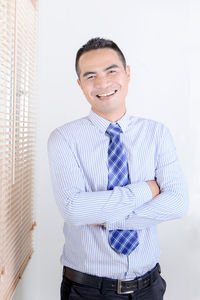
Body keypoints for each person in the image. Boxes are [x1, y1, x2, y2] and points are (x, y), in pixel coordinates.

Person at [48, 38, 189, 300]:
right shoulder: (63, 138)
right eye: (91, 76)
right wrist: (147, 189)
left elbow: (178, 203)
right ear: (80, 85)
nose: (102, 83)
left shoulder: (156, 134)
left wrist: (107, 217)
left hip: (150, 286)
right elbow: (74, 210)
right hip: (87, 290)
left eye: (111, 71)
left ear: (127, 73)